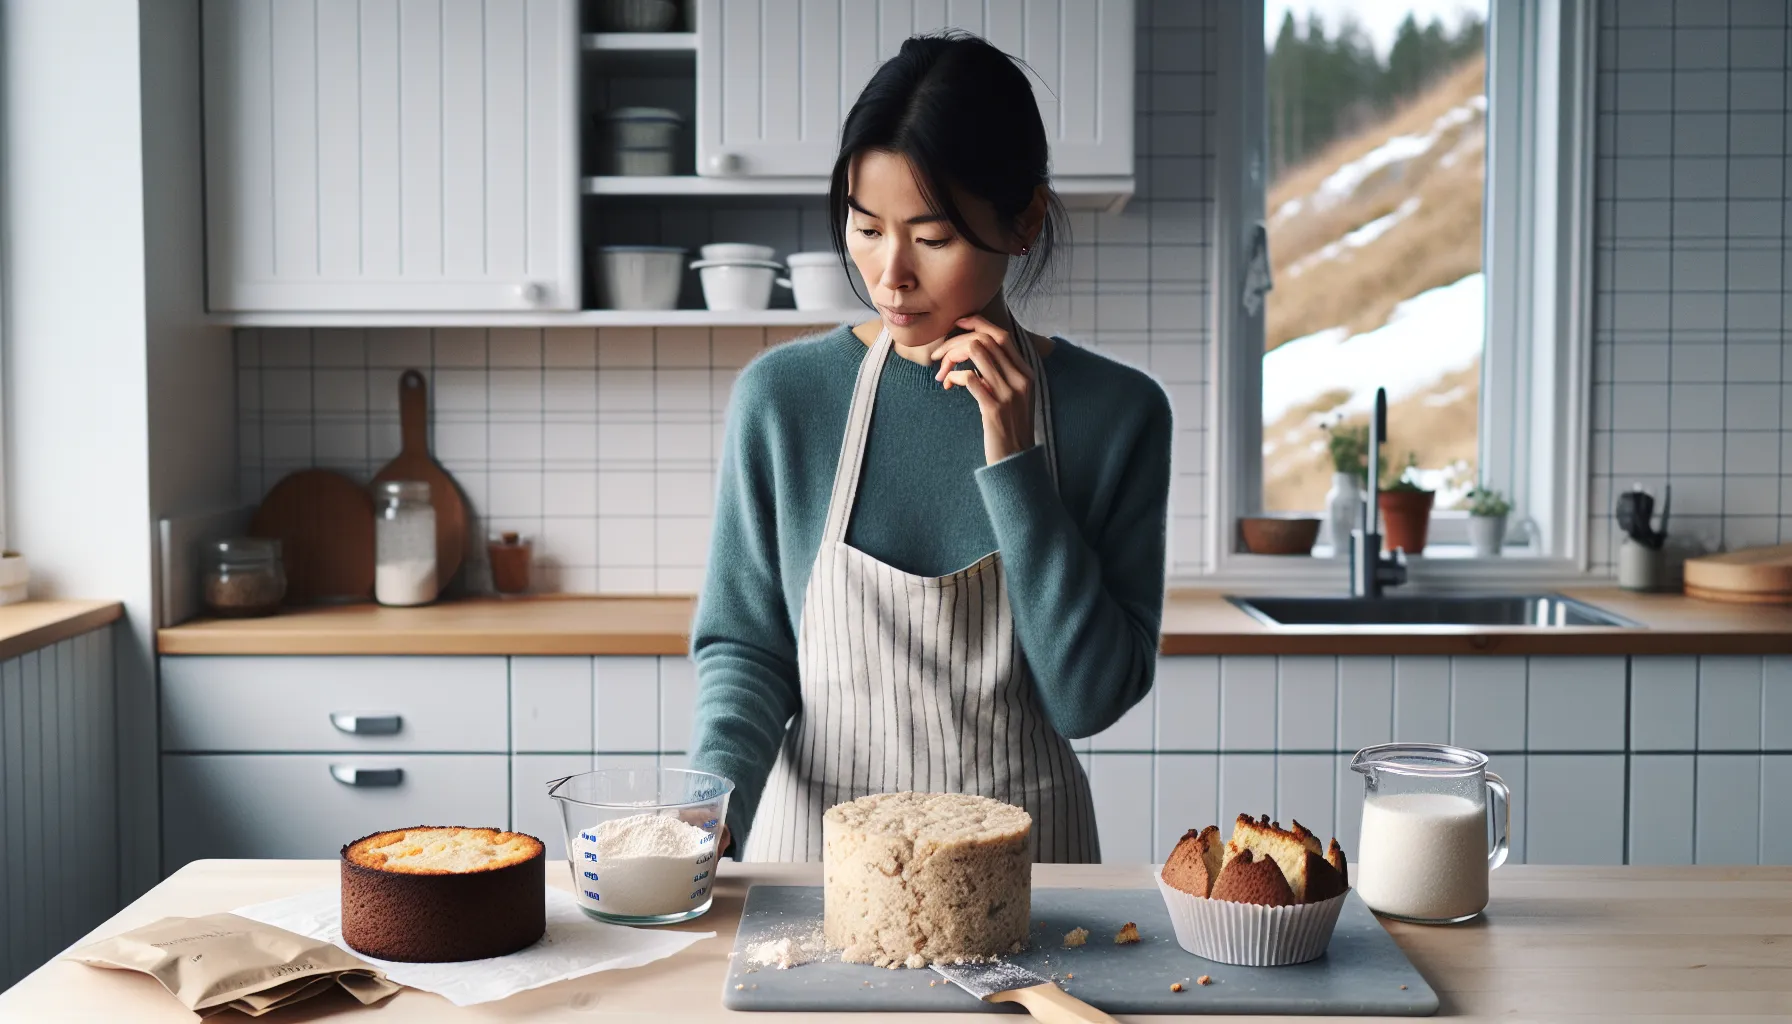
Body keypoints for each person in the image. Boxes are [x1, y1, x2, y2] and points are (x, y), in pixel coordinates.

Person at [688, 31, 1171, 863]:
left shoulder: (1119, 414)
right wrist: (710, 812)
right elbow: (749, 649)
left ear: (1024, 220)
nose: (890, 274)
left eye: (933, 237)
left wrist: (1014, 460)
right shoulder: (783, 400)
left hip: (1029, 872)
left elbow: (1087, 700)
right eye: (865, 227)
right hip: (821, 868)